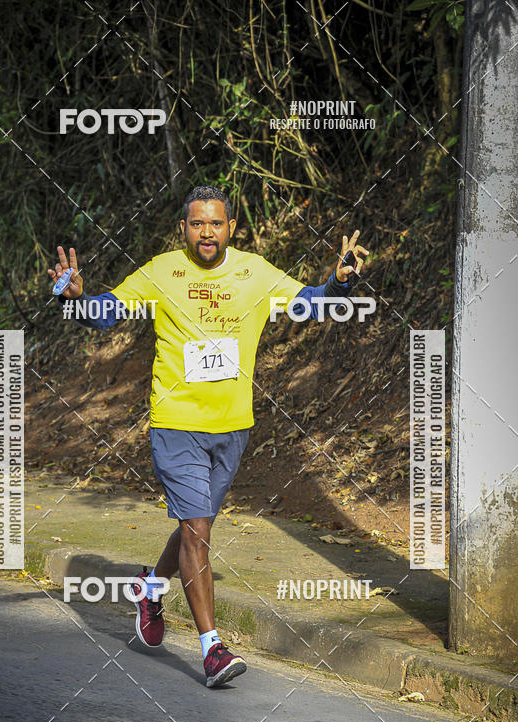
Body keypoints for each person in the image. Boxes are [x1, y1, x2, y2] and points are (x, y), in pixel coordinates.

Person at [49, 185, 368, 688]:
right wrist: (78, 300)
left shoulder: (254, 272)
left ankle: (150, 588)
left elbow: (311, 304)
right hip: (176, 423)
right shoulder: (161, 271)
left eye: (215, 223)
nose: (206, 232)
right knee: (198, 531)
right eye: (197, 224)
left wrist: (339, 283)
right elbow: (108, 311)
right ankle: (212, 649)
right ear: (184, 229)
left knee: (193, 528)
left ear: (231, 228)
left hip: (233, 427)